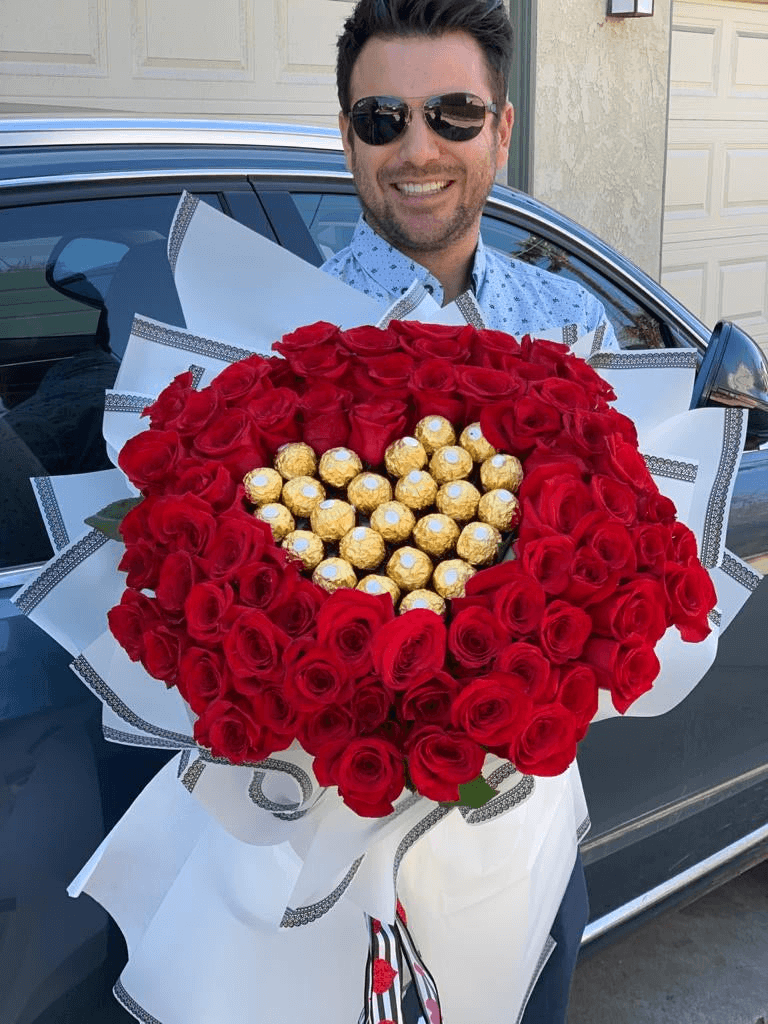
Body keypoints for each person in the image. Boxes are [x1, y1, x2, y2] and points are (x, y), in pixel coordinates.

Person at [321, 1, 610, 1020]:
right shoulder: (279, 330)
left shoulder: (573, 324)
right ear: (346, 130)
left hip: (530, 826)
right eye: (382, 117)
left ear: (502, 129)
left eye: (452, 113)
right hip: (338, 858)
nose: (417, 149)